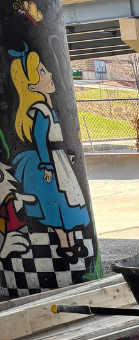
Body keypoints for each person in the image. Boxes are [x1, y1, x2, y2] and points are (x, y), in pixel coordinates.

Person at [9, 46, 90, 260]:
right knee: (60, 204)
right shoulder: (40, 111)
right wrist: (47, 166)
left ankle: (71, 243)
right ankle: (65, 245)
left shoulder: (49, 108)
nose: (50, 74)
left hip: (58, 160)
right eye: (42, 71)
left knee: (69, 201)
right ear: (31, 83)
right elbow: (41, 141)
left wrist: (66, 154)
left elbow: (53, 139)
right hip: (51, 164)